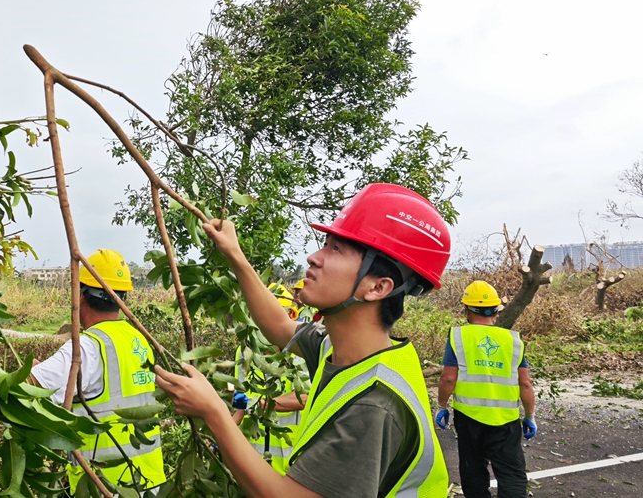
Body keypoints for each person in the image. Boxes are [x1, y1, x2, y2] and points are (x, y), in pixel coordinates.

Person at [153, 183, 451, 498]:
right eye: (325, 243)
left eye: (336, 249)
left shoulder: (375, 406)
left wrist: (214, 413)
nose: (313, 257)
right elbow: (280, 325)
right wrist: (235, 255)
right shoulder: (339, 350)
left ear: (377, 287)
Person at [30, 249, 166, 494]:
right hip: (148, 481)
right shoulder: (140, 340)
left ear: (81, 296)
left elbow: (31, 387)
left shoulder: (86, 347)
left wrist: (32, 371)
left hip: (105, 486)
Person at [435, 280, 536, 498]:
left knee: (473, 473)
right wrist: (530, 415)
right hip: (505, 420)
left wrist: (441, 406)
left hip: (469, 418)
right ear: (496, 310)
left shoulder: (459, 337)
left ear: (467, 309)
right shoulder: (512, 340)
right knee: (511, 474)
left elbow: (448, 378)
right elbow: (525, 383)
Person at [231, 283, 310, 475]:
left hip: (291, 462)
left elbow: (306, 397)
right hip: (255, 461)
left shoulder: (300, 351)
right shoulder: (244, 352)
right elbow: (240, 399)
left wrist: (263, 403)